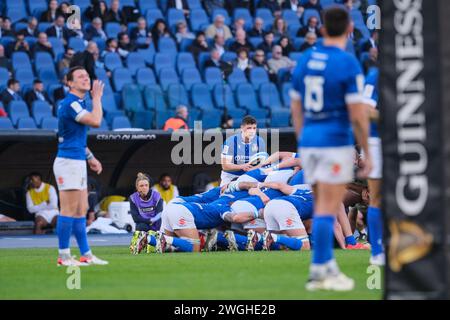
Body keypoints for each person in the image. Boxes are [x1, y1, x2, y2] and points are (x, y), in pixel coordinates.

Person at [290, 7, 371, 291]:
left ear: (322, 28)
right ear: (349, 28)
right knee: (328, 207)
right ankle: (320, 271)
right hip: (335, 140)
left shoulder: (307, 59)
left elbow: (296, 107)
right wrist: (367, 152)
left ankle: (323, 268)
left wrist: (303, 140)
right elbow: (359, 114)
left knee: (323, 205)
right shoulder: (348, 63)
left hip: (310, 141)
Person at [53, 66, 108, 266]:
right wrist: (97, 98)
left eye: (87, 76)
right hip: (68, 162)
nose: (86, 79)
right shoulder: (71, 103)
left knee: (81, 209)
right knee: (68, 209)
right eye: (80, 77)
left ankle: (86, 254)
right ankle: (64, 256)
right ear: (69, 82)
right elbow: (95, 121)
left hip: (77, 160)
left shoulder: (77, 103)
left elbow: (76, 139)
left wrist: (90, 157)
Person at [362, 66, 384, 266]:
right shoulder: (376, 75)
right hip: (377, 141)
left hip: (408, 141)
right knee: (377, 196)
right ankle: (377, 251)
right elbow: (366, 110)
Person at [220, 116, 266, 186]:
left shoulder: (260, 141)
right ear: (242, 128)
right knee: (225, 194)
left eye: (254, 128)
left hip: (249, 175)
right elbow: (225, 166)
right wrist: (242, 166)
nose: (252, 131)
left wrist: (253, 168)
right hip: (230, 176)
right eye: (249, 128)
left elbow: (262, 163)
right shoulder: (230, 141)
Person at [129, 173, 164, 254]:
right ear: (137, 187)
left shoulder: (156, 195)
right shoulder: (133, 198)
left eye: (146, 185)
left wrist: (153, 221)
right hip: (143, 223)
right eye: (141, 186)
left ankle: (152, 242)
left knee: (155, 228)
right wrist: (149, 220)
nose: (144, 187)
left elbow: (159, 213)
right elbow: (135, 218)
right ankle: (140, 243)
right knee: (139, 227)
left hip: (156, 223)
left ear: (149, 186)